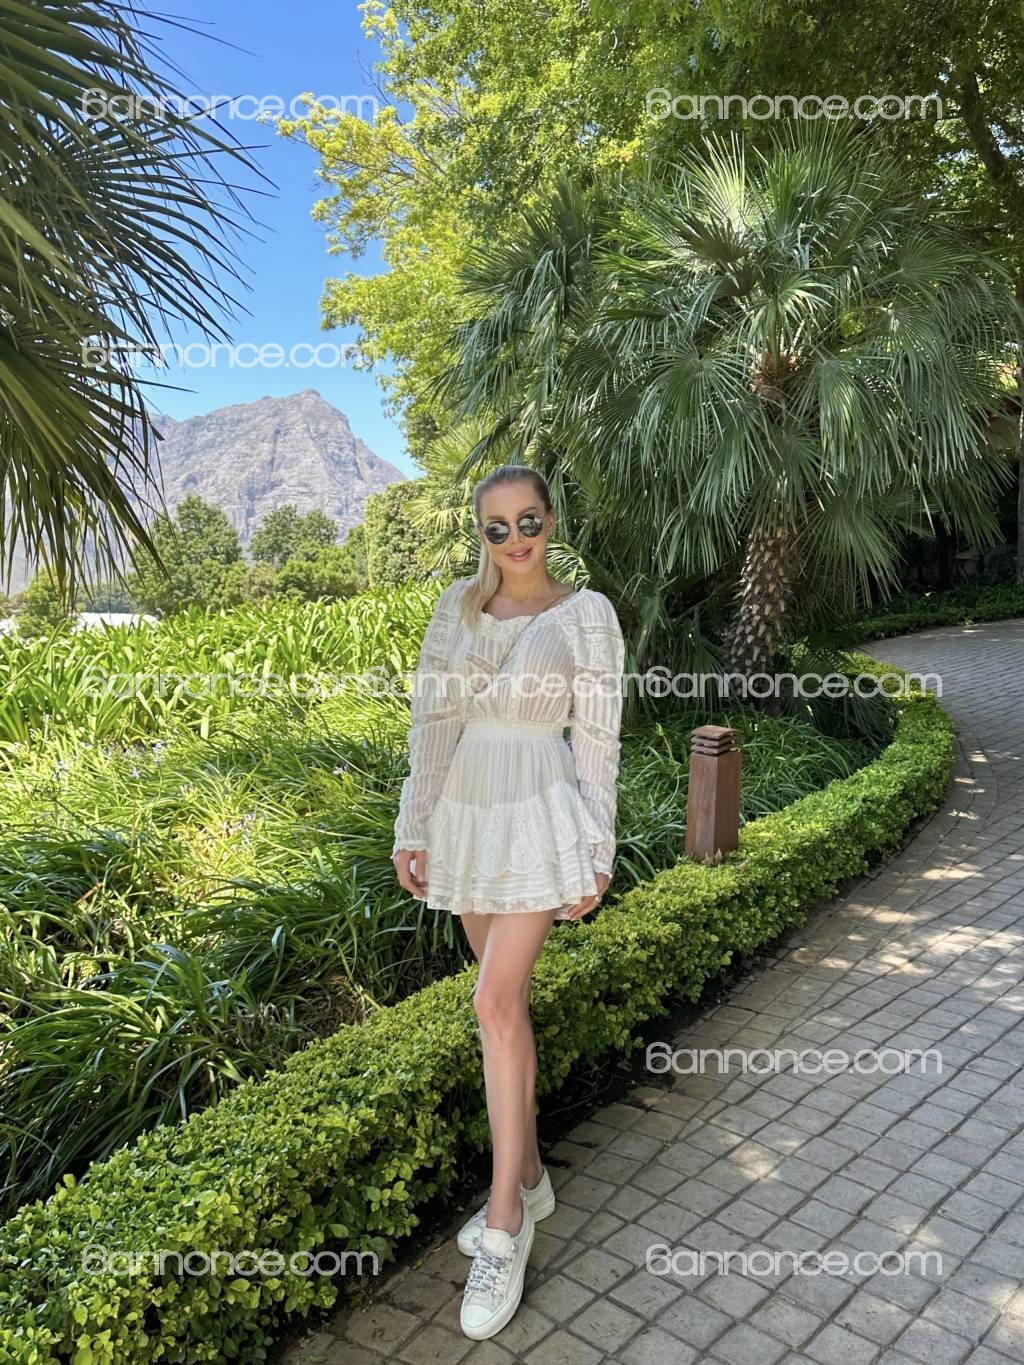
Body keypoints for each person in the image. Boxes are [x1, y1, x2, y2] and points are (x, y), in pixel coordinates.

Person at [391, 464, 625, 1341]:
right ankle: (530, 1176)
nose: (515, 538)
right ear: (480, 534)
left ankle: (504, 1223)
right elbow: (432, 724)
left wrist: (596, 850)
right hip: (465, 812)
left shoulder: (586, 614)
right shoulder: (456, 608)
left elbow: (597, 737)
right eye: (497, 527)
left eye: (528, 520)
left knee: (491, 1002)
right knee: (506, 1006)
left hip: (538, 809)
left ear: (550, 520)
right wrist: (413, 826)